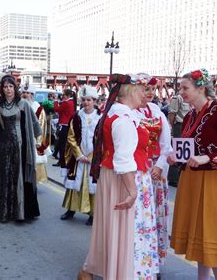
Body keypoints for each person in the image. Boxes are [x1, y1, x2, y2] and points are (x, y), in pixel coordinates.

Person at [79, 74, 159, 280]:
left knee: (116, 231)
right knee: (126, 232)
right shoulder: (123, 119)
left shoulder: (122, 115)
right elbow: (123, 159)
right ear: (130, 91)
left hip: (118, 177)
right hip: (124, 180)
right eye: (144, 89)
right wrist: (133, 191)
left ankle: (98, 270)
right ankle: (121, 273)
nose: (147, 94)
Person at [169, 69, 217, 280]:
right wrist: (177, 157)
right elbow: (190, 149)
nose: (180, 92)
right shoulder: (191, 114)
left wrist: (209, 157)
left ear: (201, 88)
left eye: (185, 88)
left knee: (215, 235)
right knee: (201, 235)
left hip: (215, 182)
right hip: (193, 180)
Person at [0, 75, 42, 223]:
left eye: (10, 86)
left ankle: (21, 212)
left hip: (21, 146)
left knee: (20, 177)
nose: (8, 89)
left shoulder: (23, 104)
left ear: (15, 88)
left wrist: (37, 141)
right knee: (6, 177)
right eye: (5, 87)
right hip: (5, 146)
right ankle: (6, 212)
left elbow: (34, 123)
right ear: (2, 89)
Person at [134, 74, 172, 270]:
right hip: (136, 170)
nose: (149, 93)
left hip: (156, 171)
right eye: (145, 89)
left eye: (151, 89)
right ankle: (133, 258)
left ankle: (153, 262)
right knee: (137, 217)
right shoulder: (129, 112)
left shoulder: (157, 112)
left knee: (155, 215)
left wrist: (159, 166)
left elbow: (166, 143)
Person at [60, 85, 101, 225]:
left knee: (93, 186)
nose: (86, 103)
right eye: (83, 100)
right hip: (78, 159)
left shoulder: (101, 118)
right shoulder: (76, 117)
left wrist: (92, 156)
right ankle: (71, 209)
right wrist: (78, 154)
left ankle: (93, 214)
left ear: (94, 100)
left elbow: (103, 140)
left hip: (93, 159)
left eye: (89, 100)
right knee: (74, 184)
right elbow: (71, 137)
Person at [21, 84, 49, 183]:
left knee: (35, 160)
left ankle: (33, 181)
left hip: (33, 138)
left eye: (27, 93)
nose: (25, 95)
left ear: (32, 95)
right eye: (23, 92)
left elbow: (41, 126)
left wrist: (39, 141)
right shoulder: (18, 105)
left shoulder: (38, 108)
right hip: (21, 138)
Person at [167, 91, 190, 187]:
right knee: (177, 151)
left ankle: (181, 175)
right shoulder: (177, 98)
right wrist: (171, 128)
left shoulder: (190, 97)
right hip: (179, 126)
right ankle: (173, 178)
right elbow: (172, 114)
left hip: (188, 125)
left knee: (185, 150)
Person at [53, 89, 76, 167]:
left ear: (68, 96)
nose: (62, 97)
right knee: (62, 144)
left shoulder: (66, 103)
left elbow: (56, 109)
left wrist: (55, 100)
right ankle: (62, 159)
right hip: (68, 125)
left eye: (64, 95)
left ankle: (62, 161)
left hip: (64, 126)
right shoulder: (71, 102)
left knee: (62, 145)